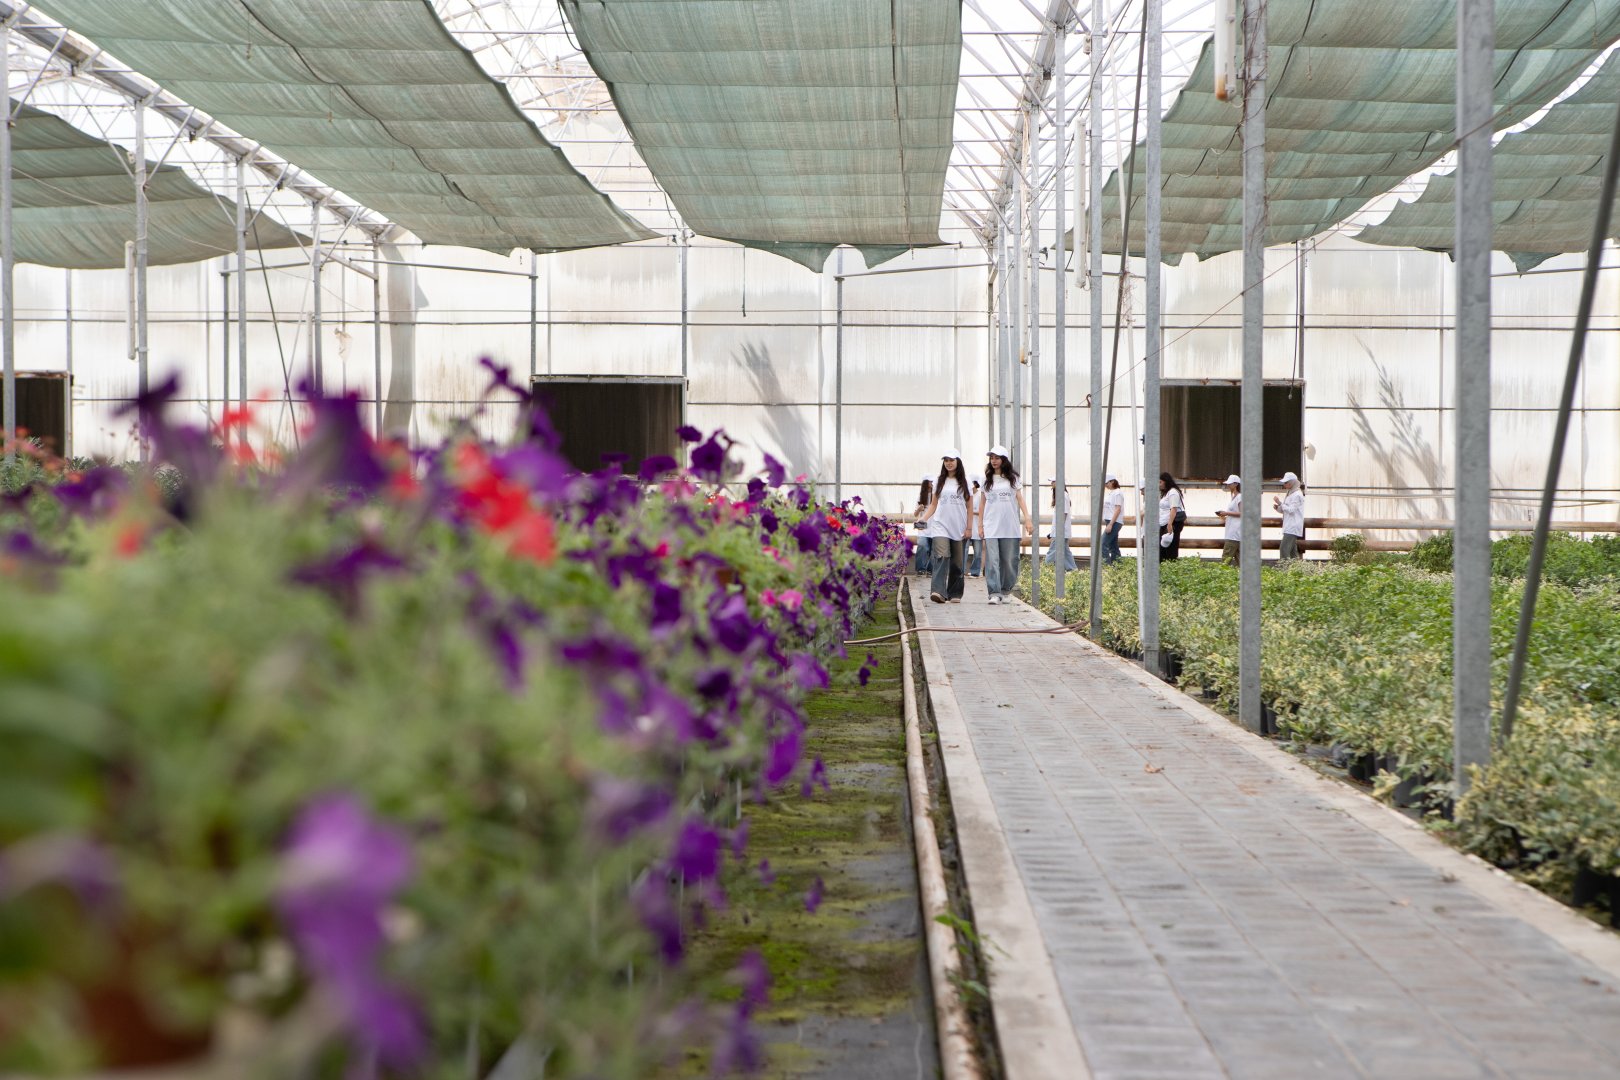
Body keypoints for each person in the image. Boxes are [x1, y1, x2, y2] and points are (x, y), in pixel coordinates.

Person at [979, 444, 1033, 605]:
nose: (994, 461)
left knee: (1010, 561)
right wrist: (980, 526)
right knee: (992, 561)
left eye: (997, 458)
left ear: (1004, 460)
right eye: (991, 458)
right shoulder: (986, 480)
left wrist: (1028, 519)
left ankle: (1005, 589)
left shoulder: (1013, 479)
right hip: (991, 526)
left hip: (1010, 527)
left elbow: (1020, 499)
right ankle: (994, 592)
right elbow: (982, 504)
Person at [918, 450, 972, 604]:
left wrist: (969, 528)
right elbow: (933, 505)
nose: (948, 463)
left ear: (958, 462)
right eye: (946, 460)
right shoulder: (938, 481)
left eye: (951, 460)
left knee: (957, 562)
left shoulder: (965, 481)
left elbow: (969, 506)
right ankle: (938, 592)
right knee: (941, 556)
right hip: (940, 526)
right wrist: (923, 518)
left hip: (959, 527)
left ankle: (954, 592)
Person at [1043, 478, 1078, 570]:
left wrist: (1059, 529)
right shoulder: (1061, 494)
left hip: (1061, 531)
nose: (1051, 483)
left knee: (1053, 550)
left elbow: (1064, 513)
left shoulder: (1063, 495)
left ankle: (1045, 570)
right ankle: (1073, 570)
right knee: (1065, 552)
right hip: (1060, 530)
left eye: (1053, 481)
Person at [1274, 471, 1305, 560]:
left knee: (1284, 549)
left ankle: (1285, 569)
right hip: (1289, 526)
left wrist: (1280, 503)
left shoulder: (1297, 495)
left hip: (1292, 526)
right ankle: (1297, 570)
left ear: (1292, 482)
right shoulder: (1290, 493)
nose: (1284, 484)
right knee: (1293, 552)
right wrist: (1278, 507)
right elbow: (1286, 510)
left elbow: (1291, 510)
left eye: (1286, 482)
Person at [1155, 472, 1186, 560]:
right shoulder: (1166, 493)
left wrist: (1169, 524)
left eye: (1160, 482)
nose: (1159, 485)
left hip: (1172, 523)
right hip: (1164, 523)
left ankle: (1169, 565)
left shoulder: (1172, 492)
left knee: (1170, 548)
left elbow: (1174, 508)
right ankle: (1164, 566)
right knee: (1163, 547)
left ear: (1166, 482)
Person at [1215, 474, 1242, 564]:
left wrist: (1226, 513)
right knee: (1241, 560)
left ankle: (1222, 576)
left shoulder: (1239, 497)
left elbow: (1242, 513)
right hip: (1236, 533)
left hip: (1233, 533)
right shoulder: (1235, 497)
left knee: (1225, 559)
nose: (1228, 485)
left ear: (1236, 484)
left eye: (1230, 484)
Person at [1100, 473, 1124, 564]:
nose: (1106, 485)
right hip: (1111, 521)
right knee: (1113, 546)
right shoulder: (1112, 493)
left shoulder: (1117, 493)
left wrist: (1110, 524)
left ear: (1112, 481)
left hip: (1114, 522)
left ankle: (1107, 566)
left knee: (1103, 544)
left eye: (1107, 483)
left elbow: (1118, 509)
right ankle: (1118, 567)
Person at [912, 474, 934, 576]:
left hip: (935, 526)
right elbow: (915, 514)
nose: (932, 484)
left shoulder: (937, 496)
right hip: (923, 526)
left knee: (935, 549)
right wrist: (919, 509)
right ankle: (920, 569)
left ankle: (931, 570)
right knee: (922, 547)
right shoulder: (921, 496)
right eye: (930, 482)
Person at [966, 480, 984, 576]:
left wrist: (971, 512)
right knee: (963, 551)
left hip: (977, 528)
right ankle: (961, 571)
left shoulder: (980, 495)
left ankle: (975, 572)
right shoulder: (966, 495)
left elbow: (983, 511)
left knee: (977, 552)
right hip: (967, 527)